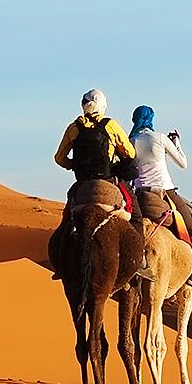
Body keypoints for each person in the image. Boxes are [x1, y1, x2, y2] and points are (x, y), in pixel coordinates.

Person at [49, 89, 137, 281]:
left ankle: (60, 263)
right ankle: (140, 262)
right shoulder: (111, 125)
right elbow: (129, 153)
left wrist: (73, 165)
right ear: (103, 106)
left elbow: (59, 158)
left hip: (81, 184)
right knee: (135, 214)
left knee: (67, 220)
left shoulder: (74, 127)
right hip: (108, 181)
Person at [126, 105, 192, 292]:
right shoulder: (160, 138)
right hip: (165, 192)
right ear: (151, 119)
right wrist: (177, 142)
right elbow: (183, 163)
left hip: (140, 195)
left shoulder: (131, 140)